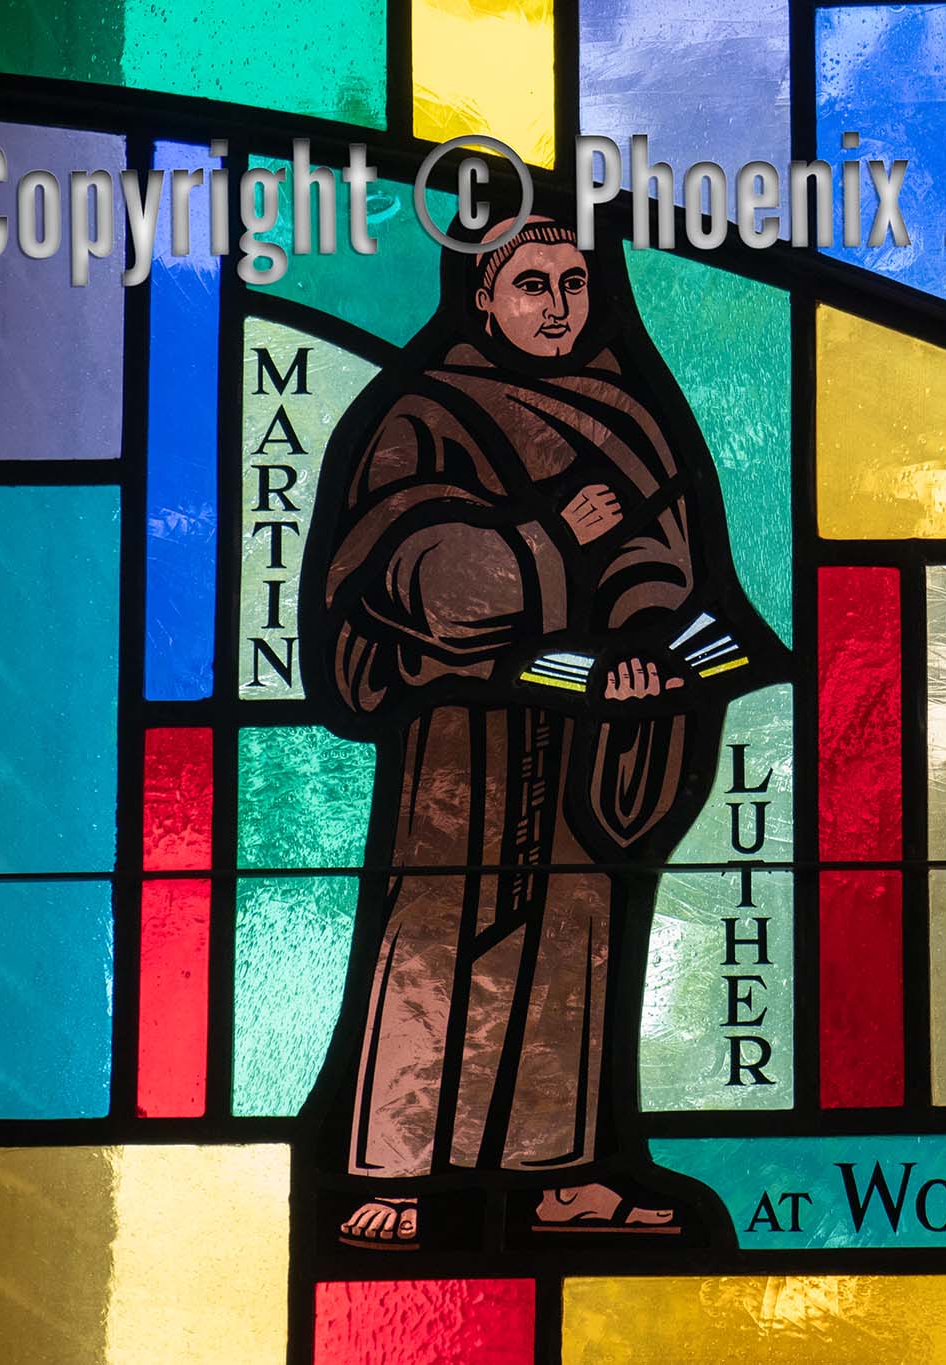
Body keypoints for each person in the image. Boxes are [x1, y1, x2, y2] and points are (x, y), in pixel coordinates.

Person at [300, 213, 777, 1249]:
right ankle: (399, 1174)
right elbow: (416, 581)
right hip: (463, 737)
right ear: (481, 295)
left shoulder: (626, 409)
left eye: (572, 283)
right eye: (531, 284)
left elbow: (664, 555)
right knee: (437, 939)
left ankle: (558, 1172)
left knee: (572, 943)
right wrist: (552, 531)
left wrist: (652, 643)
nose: (557, 306)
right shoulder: (420, 416)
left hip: (584, 729)